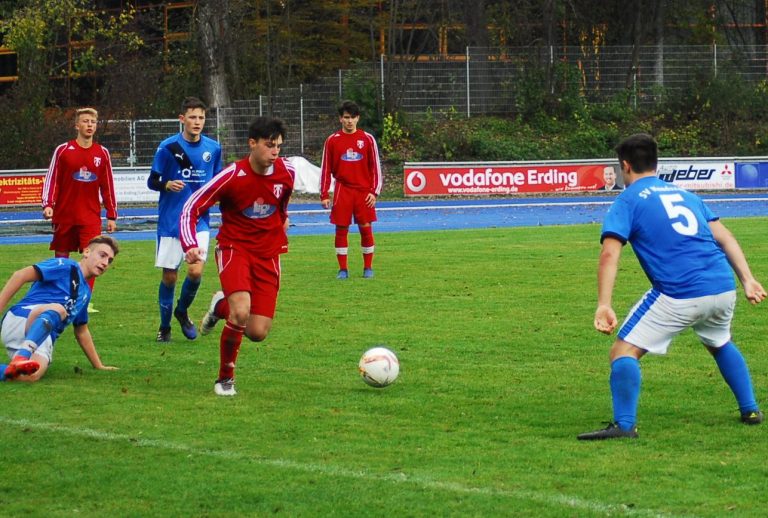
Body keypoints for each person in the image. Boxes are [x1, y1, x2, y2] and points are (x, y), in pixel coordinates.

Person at [578, 133, 766, 440]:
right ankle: (751, 409)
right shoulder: (687, 195)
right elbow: (726, 237)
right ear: (656, 162)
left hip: (680, 293)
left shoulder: (626, 200)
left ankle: (624, 426)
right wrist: (748, 279)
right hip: (722, 286)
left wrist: (604, 303)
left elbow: (610, 253)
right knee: (719, 342)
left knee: (622, 352)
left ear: (625, 166)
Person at [180, 117, 295, 397]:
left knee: (257, 332)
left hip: (268, 255)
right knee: (241, 311)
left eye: (278, 146)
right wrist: (189, 243)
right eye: (269, 145)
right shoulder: (232, 175)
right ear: (252, 144)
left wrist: (282, 221)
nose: (275, 151)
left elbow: (281, 205)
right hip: (235, 249)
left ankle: (220, 306)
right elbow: (191, 207)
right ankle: (225, 379)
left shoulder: (287, 173)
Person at [147, 97, 223, 343]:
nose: (197, 122)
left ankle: (182, 310)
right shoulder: (168, 147)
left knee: (195, 271)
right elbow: (152, 181)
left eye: (201, 117)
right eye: (192, 117)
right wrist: (167, 184)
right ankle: (165, 326)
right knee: (170, 276)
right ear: (182, 119)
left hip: (198, 220)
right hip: (171, 220)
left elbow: (219, 182)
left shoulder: (213, 148)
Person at [0, 235, 120, 382]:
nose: (105, 263)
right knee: (59, 309)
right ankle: (22, 356)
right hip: (22, 319)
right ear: (87, 252)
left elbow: (81, 331)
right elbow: (20, 275)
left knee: (30, 376)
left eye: (109, 260)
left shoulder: (86, 293)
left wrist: (99, 365)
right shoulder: (65, 266)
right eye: (102, 255)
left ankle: (16, 363)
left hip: (42, 337)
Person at [42, 107, 118, 314]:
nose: (89, 125)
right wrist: (48, 204)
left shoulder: (102, 153)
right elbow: (52, 179)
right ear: (77, 125)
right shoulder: (63, 150)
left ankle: (83, 300)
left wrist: (111, 214)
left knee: (93, 258)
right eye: (85, 121)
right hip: (65, 214)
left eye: (93, 122)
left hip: (90, 217)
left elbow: (107, 185)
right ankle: (60, 299)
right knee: (61, 259)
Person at [320, 100, 383, 279]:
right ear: (340, 119)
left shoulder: (367, 139)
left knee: (365, 227)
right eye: (346, 117)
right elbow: (326, 168)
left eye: (353, 117)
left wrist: (374, 191)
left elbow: (375, 168)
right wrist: (324, 193)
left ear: (358, 118)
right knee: (341, 228)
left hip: (364, 191)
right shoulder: (332, 141)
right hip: (342, 190)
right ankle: (343, 269)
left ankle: (368, 267)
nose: (349, 121)